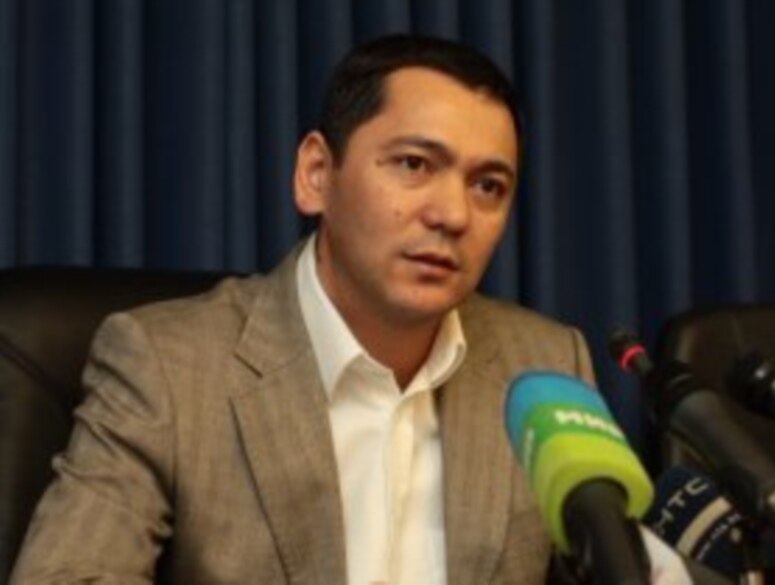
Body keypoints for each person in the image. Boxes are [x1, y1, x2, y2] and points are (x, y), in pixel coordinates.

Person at [9, 34, 683, 585]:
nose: (453, 214)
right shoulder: (168, 365)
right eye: (414, 164)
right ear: (315, 175)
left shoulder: (543, 368)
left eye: (488, 185)